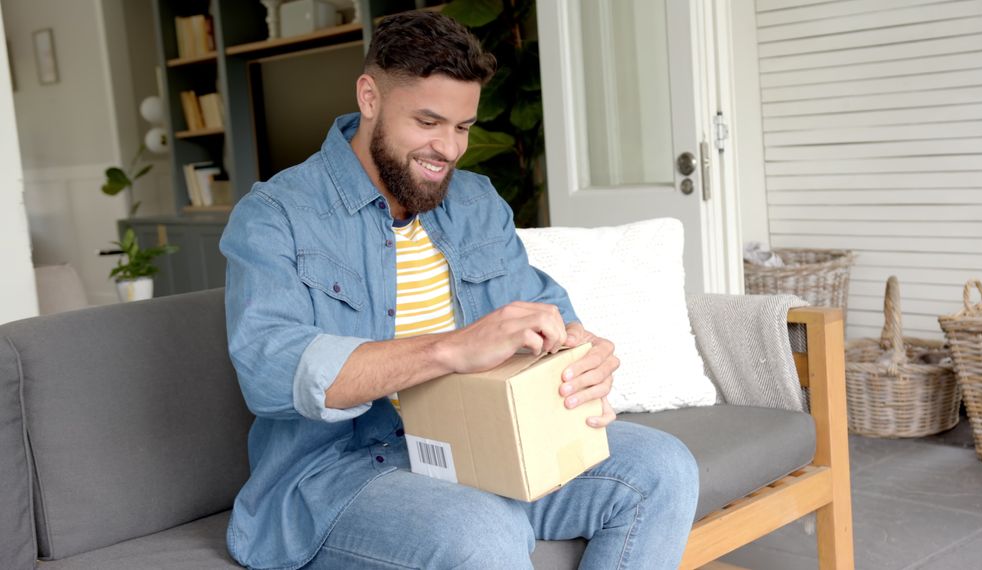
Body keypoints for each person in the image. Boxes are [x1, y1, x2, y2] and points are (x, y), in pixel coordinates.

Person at [220, 11, 698, 570]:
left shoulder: (474, 201)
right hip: (339, 473)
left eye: (463, 127)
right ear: (369, 97)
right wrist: (449, 349)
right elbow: (269, 369)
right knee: (479, 530)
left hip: (480, 443)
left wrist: (579, 350)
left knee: (663, 468)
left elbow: (539, 308)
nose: (448, 149)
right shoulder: (276, 215)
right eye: (428, 122)